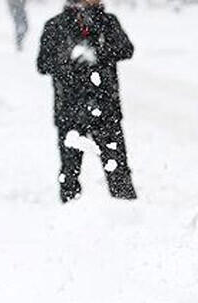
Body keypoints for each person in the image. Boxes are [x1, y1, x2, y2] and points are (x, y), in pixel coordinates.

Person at [37, 0, 137, 203]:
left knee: (117, 170)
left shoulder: (107, 22)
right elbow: (43, 64)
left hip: (105, 108)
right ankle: (70, 217)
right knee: (69, 173)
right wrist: (68, 59)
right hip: (69, 110)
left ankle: (128, 215)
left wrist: (98, 53)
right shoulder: (56, 25)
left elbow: (126, 49)